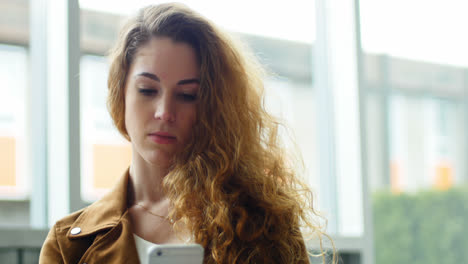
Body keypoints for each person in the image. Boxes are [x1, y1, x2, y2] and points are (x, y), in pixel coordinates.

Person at [39, 3, 333, 263]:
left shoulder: (260, 223)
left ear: (211, 107)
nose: (164, 112)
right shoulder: (70, 245)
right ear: (121, 95)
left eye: (187, 95)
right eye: (147, 90)